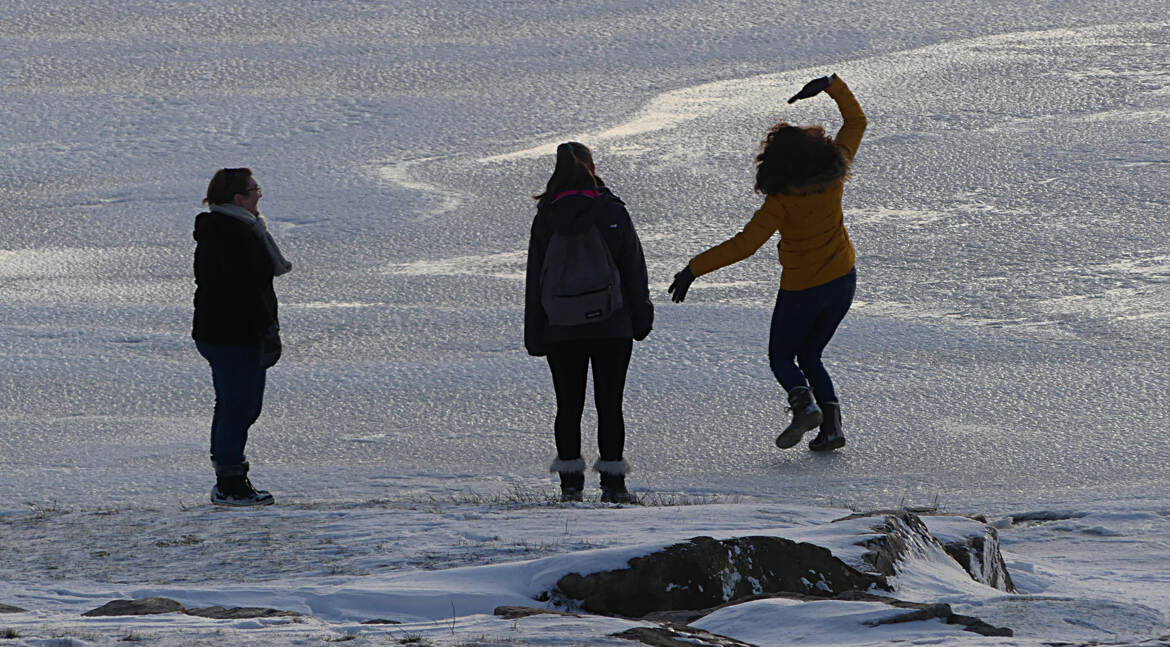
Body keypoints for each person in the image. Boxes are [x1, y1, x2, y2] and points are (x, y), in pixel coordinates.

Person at [668, 74, 865, 453]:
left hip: (802, 290)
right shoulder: (836, 173)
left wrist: (693, 269)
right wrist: (830, 85)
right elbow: (856, 121)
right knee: (810, 355)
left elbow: (745, 245)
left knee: (782, 357)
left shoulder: (780, 202)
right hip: (842, 281)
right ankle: (832, 429)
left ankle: (805, 407)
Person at [525, 142, 653, 503]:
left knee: (568, 405)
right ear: (592, 168)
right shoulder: (611, 210)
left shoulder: (547, 216)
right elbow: (633, 267)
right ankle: (614, 485)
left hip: (560, 327)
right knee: (610, 403)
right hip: (612, 324)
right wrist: (641, 316)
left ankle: (570, 487)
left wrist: (535, 332)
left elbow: (535, 278)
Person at [192, 167, 292, 506]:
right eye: (254, 189)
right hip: (230, 335)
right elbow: (239, 290)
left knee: (239, 406)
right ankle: (229, 483)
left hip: (234, 332)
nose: (259, 194)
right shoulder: (229, 233)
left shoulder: (240, 228)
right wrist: (264, 330)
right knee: (239, 407)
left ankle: (231, 478)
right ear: (238, 198)